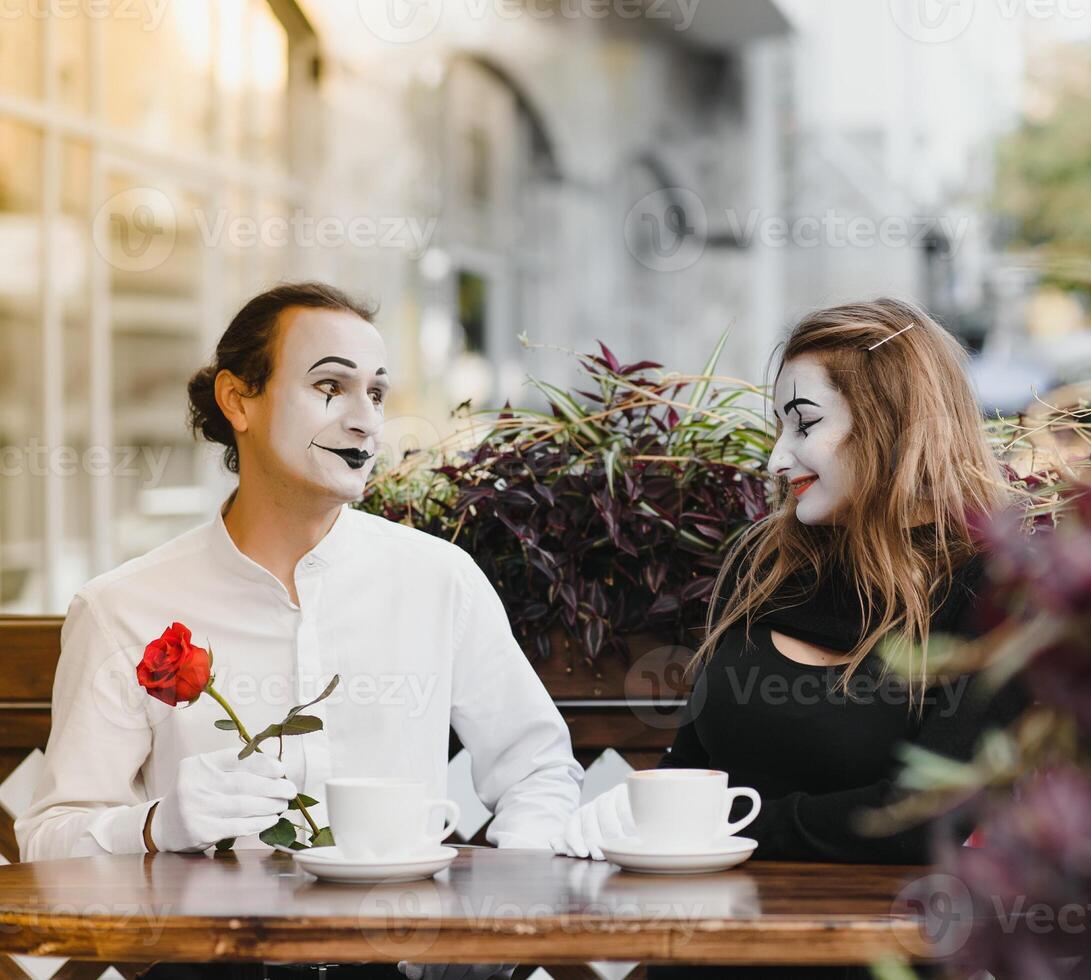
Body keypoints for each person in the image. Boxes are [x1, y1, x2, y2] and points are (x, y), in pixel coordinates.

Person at [16, 283, 582, 979]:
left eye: (375, 393)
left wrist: (495, 924)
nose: (364, 421)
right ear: (238, 400)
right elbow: (47, 838)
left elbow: (537, 769)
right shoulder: (122, 607)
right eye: (330, 387)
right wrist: (158, 825)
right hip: (209, 965)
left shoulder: (440, 580)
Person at [553, 299, 1028, 978]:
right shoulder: (764, 561)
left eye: (804, 424)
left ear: (891, 420)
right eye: (780, 426)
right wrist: (636, 815)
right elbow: (696, 756)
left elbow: (928, 817)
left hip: (875, 958)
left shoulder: (991, 583)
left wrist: (729, 830)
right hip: (700, 952)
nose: (779, 459)